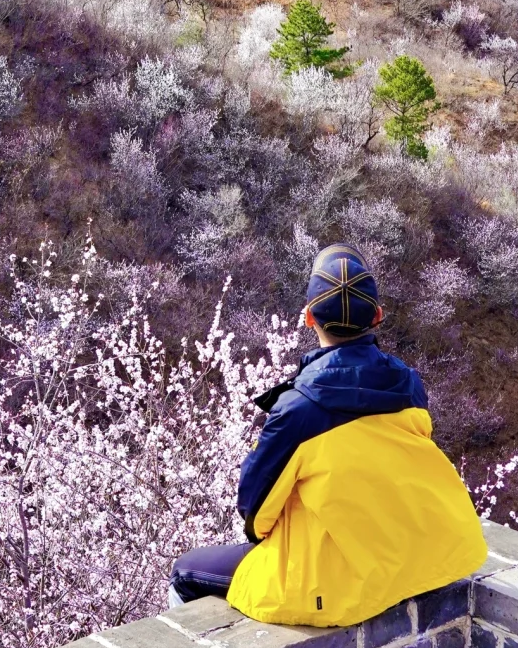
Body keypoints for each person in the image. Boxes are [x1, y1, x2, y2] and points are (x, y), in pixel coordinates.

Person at [169, 244, 487, 626]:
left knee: (184, 572)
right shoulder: (409, 386)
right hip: (419, 555)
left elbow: (256, 519)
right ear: (378, 316)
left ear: (308, 318)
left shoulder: (297, 410)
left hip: (330, 584)